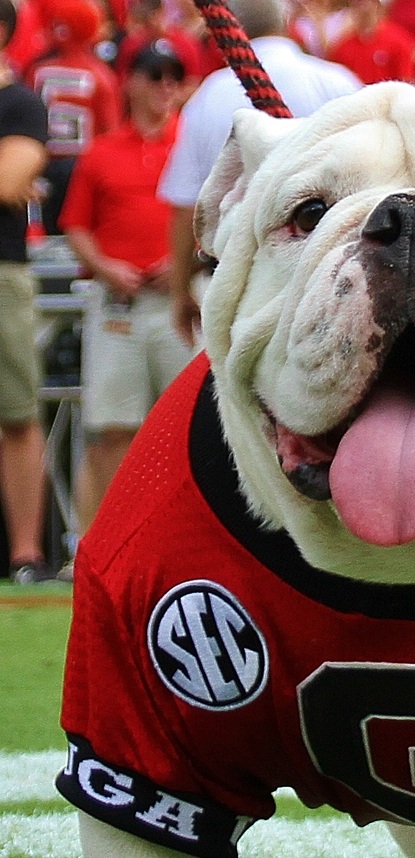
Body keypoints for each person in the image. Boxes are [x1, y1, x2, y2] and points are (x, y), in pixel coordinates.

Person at [157, 0, 361, 347]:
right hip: (333, 278)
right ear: (286, 18)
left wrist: (181, 293)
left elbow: (185, 208)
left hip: (240, 284)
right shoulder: (337, 83)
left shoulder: (209, 95)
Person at [58, 40, 195, 534]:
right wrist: (105, 265)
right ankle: (106, 542)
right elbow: (75, 226)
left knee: (187, 432)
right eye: (155, 74)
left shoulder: (192, 145)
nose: (166, 85)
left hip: (180, 301)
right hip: (121, 301)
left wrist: (182, 260)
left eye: (175, 75)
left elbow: (221, 218)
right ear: (131, 81)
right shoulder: (101, 152)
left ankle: (177, 541)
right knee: (111, 430)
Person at [0, 0, 52, 583]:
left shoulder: (19, 103)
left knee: (16, 411)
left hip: (3, 269)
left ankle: (25, 553)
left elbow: (11, 180)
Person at [25, 0, 122, 233]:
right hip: (82, 168)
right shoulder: (101, 76)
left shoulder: (37, 70)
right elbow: (111, 134)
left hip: (42, 166)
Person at [326, 0, 415, 85]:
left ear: (376, 4)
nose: (361, 7)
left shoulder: (399, 40)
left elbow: (407, 81)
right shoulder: (343, 47)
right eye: (356, 4)